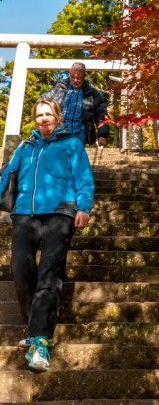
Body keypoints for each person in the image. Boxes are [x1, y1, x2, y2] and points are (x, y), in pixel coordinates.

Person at [0, 98, 94, 372]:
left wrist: (84, 207)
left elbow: (84, 177)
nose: (43, 118)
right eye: (39, 114)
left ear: (57, 116)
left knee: (50, 271)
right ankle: (34, 326)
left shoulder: (71, 143)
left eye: (48, 113)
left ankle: (40, 339)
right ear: (34, 118)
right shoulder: (25, 145)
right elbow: (7, 175)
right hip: (24, 213)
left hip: (61, 213)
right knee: (21, 267)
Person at [42, 61, 109, 146]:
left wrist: (102, 135)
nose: (75, 80)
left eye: (79, 78)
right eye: (72, 77)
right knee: (56, 157)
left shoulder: (92, 94)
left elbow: (102, 115)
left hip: (79, 134)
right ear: (69, 73)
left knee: (75, 158)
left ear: (85, 76)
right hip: (57, 132)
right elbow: (41, 103)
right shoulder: (58, 89)